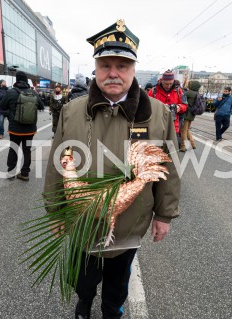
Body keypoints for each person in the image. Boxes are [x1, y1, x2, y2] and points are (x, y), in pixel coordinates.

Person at [43, 19, 180, 319]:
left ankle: (111, 311)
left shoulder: (158, 114)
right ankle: (84, 302)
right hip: (81, 218)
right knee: (83, 278)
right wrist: (54, 210)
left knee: (118, 280)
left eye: (122, 65)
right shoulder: (72, 110)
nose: (113, 73)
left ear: (133, 70)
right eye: (106, 65)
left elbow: (168, 168)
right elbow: (57, 162)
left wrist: (164, 215)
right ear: (96, 68)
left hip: (130, 220)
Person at [0, 71, 44, 181]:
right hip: (30, 129)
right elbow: (41, 106)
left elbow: (2, 106)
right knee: (27, 150)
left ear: (17, 80)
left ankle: (11, 173)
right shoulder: (33, 93)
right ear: (26, 80)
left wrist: (11, 110)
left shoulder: (11, 92)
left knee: (13, 149)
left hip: (15, 129)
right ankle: (25, 173)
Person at [148, 70, 187, 148]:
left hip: (173, 126)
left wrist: (179, 107)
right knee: (157, 150)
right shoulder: (153, 91)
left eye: (170, 83)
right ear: (162, 81)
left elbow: (185, 105)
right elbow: (147, 106)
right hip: (157, 125)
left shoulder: (178, 91)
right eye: (166, 84)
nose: (168, 86)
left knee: (172, 150)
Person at [180, 80, 202, 152]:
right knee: (187, 130)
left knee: (183, 131)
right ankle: (192, 144)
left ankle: (183, 146)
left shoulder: (189, 93)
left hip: (186, 114)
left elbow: (181, 96)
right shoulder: (197, 93)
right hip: (192, 115)